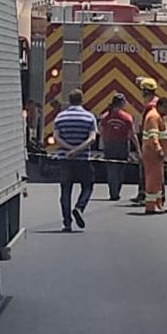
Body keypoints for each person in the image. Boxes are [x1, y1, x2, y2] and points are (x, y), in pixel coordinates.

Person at [54, 88, 98, 231]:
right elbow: (92, 138)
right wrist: (78, 150)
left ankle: (67, 223)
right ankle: (79, 207)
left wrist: (69, 149)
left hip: (65, 159)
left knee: (65, 190)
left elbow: (56, 138)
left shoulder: (60, 117)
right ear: (82, 100)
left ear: (69, 100)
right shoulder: (89, 117)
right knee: (88, 186)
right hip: (83, 159)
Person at [99, 93, 137, 201]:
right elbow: (132, 134)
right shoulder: (127, 117)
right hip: (122, 145)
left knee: (111, 170)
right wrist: (138, 149)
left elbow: (101, 132)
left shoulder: (106, 116)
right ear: (122, 103)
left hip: (109, 145)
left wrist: (103, 144)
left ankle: (113, 192)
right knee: (120, 170)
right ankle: (116, 191)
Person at [141, 96, 167, 214]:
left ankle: (157, 204)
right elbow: (153, 136)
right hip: (152, 154)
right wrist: (159, 149)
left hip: (157, 156)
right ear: (160, 106)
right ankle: (151, 206)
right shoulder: (153, 117)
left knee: (158, 179)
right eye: (166, 108)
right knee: (153, 179)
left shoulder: (159, 116)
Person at [129, 77, 159, 205]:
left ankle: (146, 196)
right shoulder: (155, 102)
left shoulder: (150, 106)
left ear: (146, 92)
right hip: (152, 140)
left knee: (147, 170)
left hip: (149, 142)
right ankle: (146, 195)